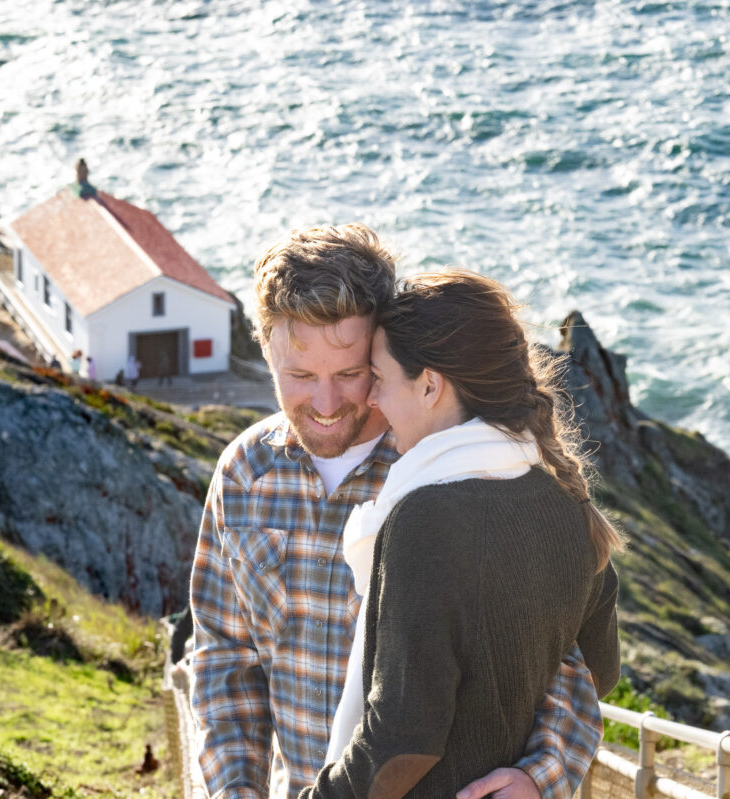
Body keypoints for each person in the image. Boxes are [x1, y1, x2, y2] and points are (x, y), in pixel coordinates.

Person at [189, 224, 606, 799]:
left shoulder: (457, 471)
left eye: (352, 375)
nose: (329, 404)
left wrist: (543, 775)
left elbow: (566, 655)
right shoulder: (244, 475)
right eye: (301, 376)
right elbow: (224, 660)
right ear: (265, 350)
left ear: (382, 350)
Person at [301, 271, 621, 799]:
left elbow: (404, 737)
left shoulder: (425, 517)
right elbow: (599, 671)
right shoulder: (567, 500)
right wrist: (537, 775)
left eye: (379, 378)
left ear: (430, 385)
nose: (373, 400)